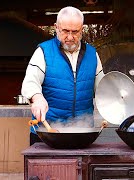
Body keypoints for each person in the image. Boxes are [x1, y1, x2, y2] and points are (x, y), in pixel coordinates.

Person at [21, 6, 105, 145]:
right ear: (56, 27)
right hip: (47, 133)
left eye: (75, 32)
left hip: (82, 133)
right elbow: (30, 82)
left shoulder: (92, 54)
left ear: (82, 29)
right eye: (65, 31)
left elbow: (103, 89)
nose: (70, 37)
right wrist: (37, 98)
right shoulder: (44, 51)